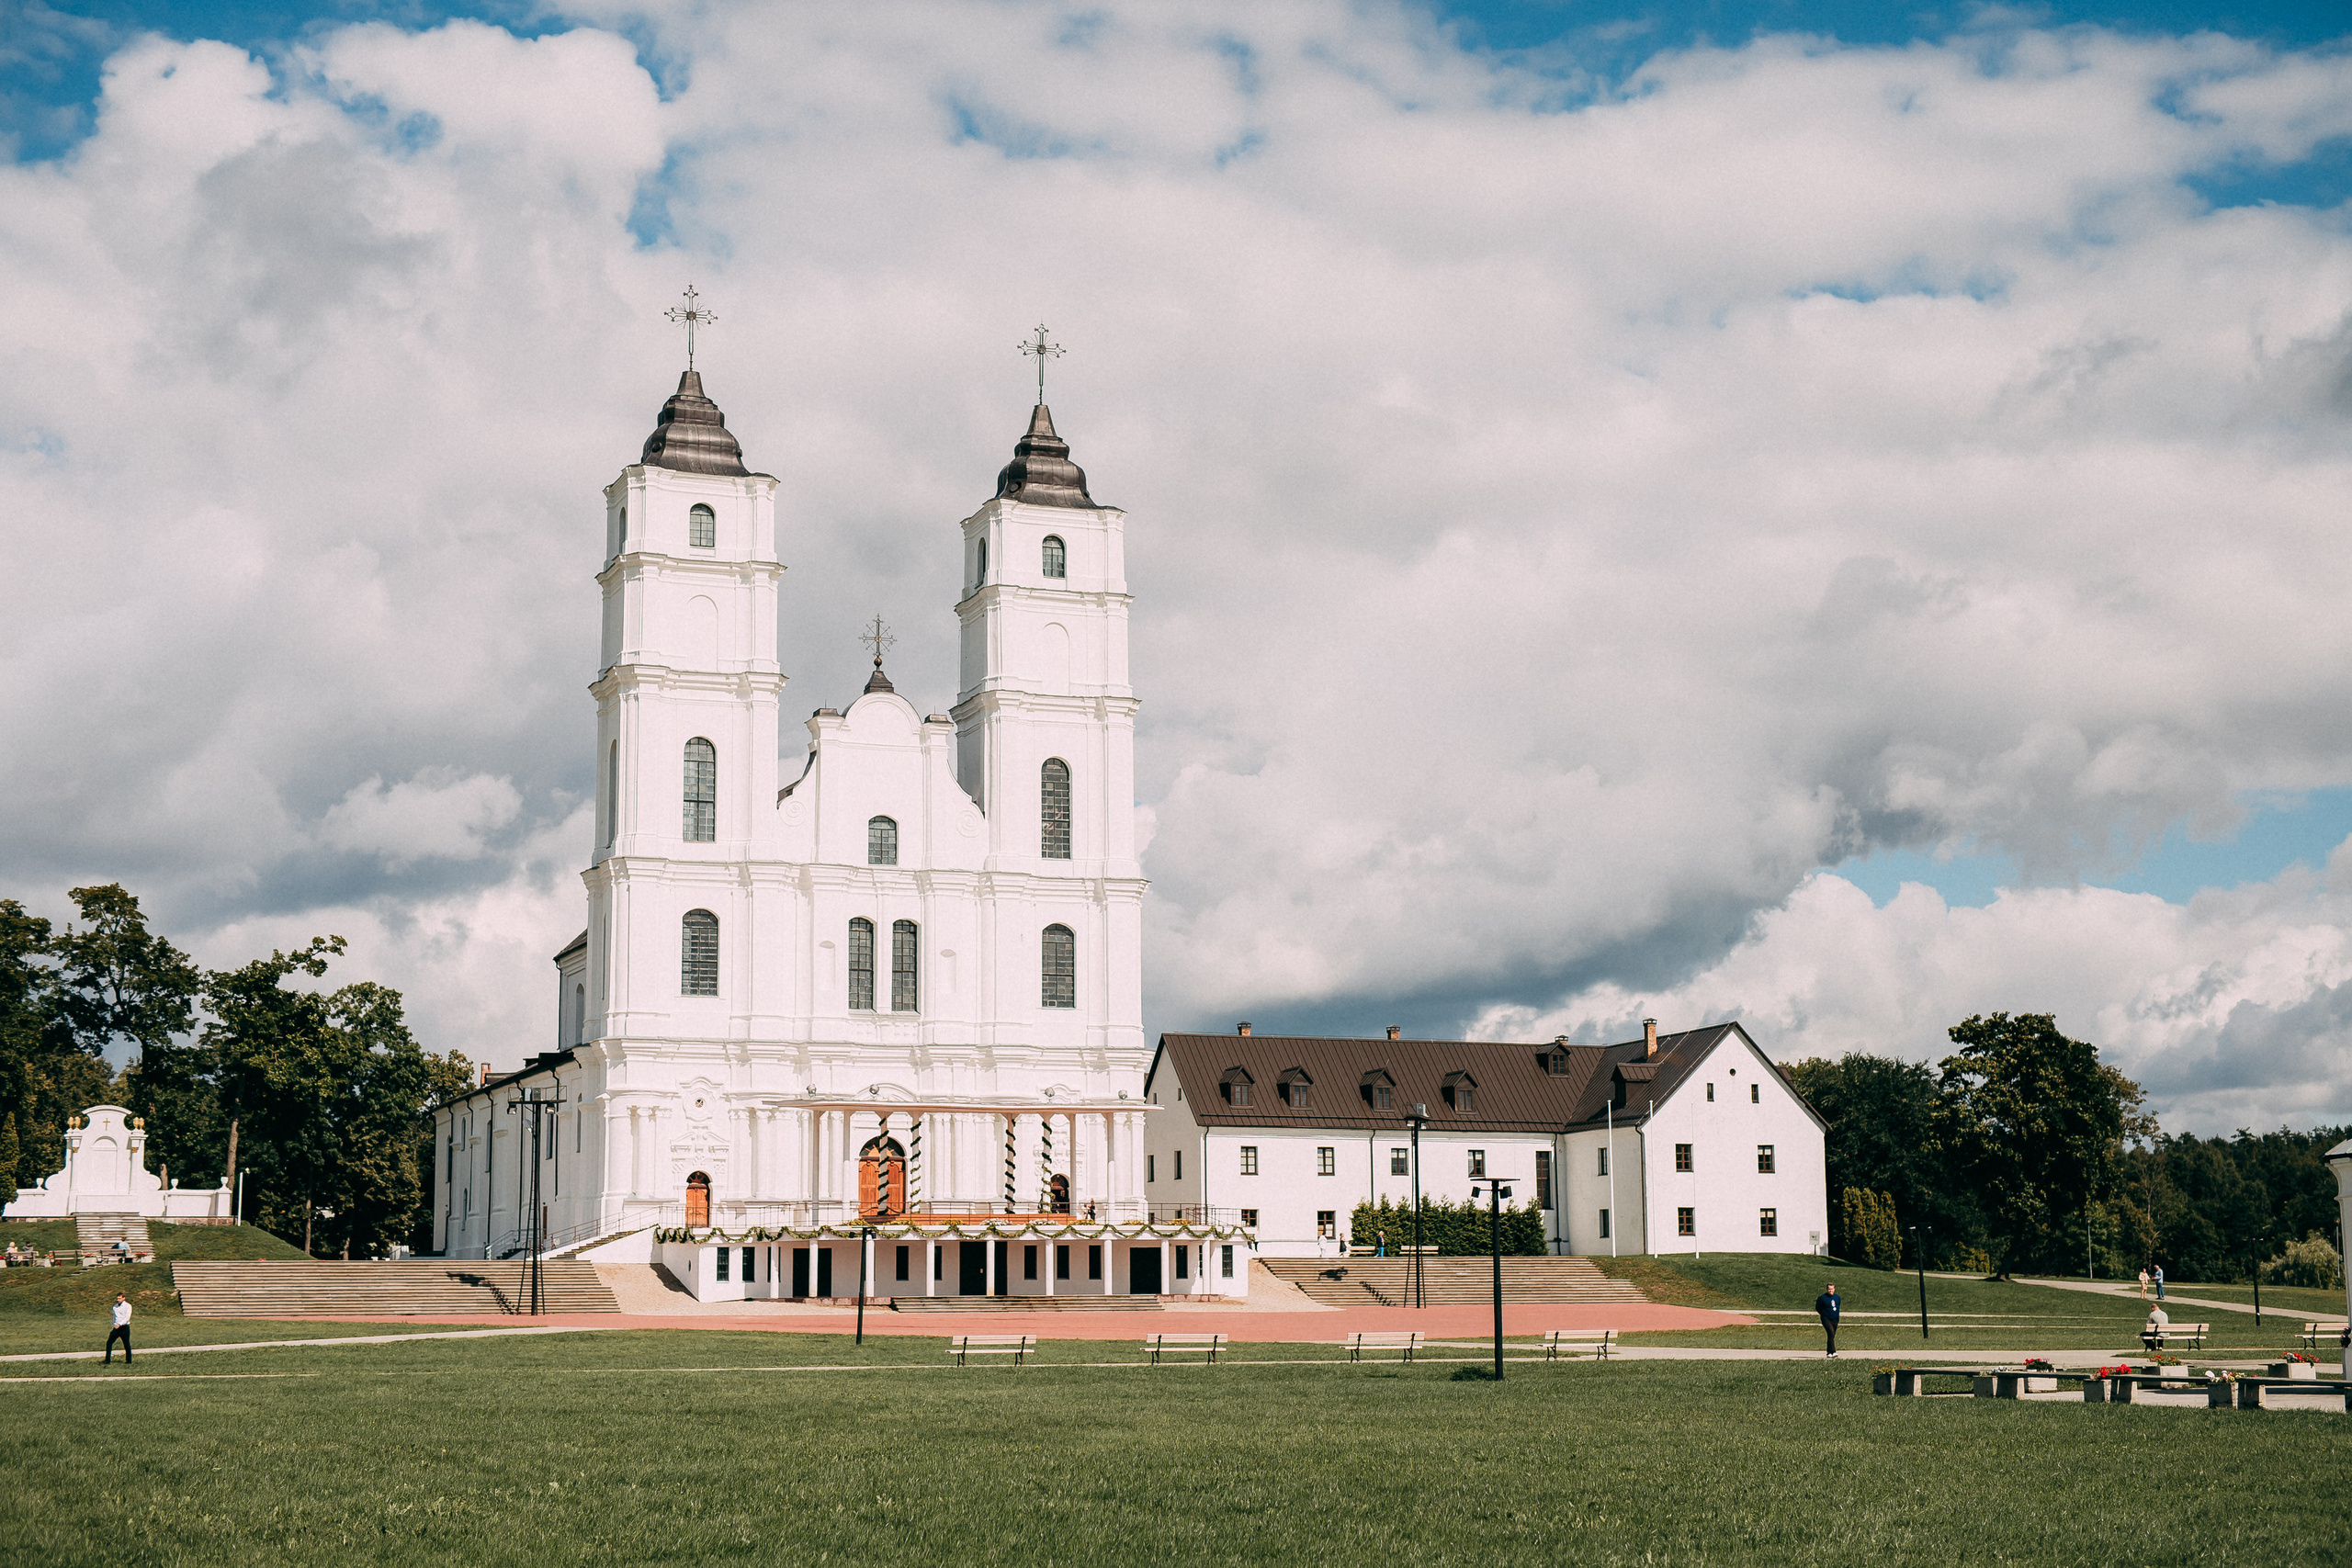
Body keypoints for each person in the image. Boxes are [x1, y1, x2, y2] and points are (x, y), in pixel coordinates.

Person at [105, 1293, 132, 1365]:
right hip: (116, 1327)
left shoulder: (128, 1306)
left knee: (126, 1344)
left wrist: (120, 1324)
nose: (118, 1300)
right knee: (109, 1342)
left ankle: (128, 1361)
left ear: (123, 1298)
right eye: (117, 1298)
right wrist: (114, 1324)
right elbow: (115, 1317)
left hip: (124, 1327)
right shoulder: (115, 1307)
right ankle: (107, 1360)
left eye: (119, 1298)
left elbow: (127, 1317)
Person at [1815, 1281, 1841, 1358]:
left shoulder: (1837, 1297)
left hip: (1835, 1319)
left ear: (1834, 1289)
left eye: (1832, 1289)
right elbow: (1818, 1307)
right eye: (1829, 1289)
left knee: (1831, 1335)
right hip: (1826, 1318)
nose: (1831, 1291)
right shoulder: (1822, 1298)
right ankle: (1833, 1351)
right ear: (1827, 1289)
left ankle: (1829, 1352)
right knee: (1830, 1332)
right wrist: (1824, 1314)